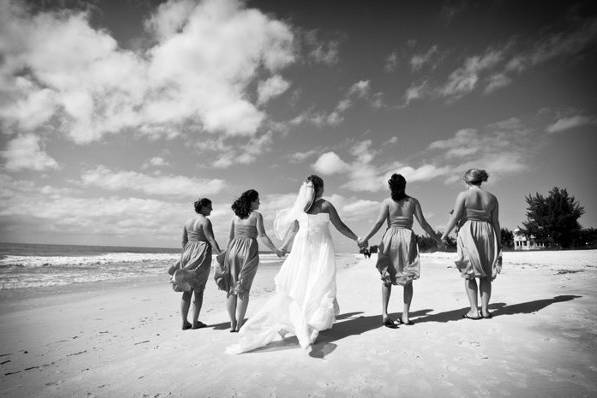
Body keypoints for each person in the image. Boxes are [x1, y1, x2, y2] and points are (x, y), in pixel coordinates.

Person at [226, 175, 360, 353]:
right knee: (319, 281)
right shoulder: (325, 205)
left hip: (301, 247)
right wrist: (357, 238)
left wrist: (282, 248)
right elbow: (340, 226)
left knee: (300, 281)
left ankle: (299, 319)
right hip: (321, 247)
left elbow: (293, 231)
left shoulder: (300, 208)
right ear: (319, 189)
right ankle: (311, 321)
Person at [358, 174, 443, 327]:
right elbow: (423, 224)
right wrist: (437, 240)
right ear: (404, 186)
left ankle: (385, 314)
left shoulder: (387, 202)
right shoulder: (413, 202)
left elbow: (378, 223)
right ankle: (405, 315)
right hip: (407, 238)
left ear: (390, 187)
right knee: (408, 276)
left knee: (387, 276)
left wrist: (365, 238)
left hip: (390, 237)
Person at [214, 190, 285, 332]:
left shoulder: (235, 217)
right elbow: (263, 236)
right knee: (243, 290)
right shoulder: (257, 216)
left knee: (231, 289)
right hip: (248, 252)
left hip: (232, 251)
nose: (259, 203)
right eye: (257, 200)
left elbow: (230, 238)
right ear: (251, 201)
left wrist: (226, 256)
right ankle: (240, 325)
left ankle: (232, 324)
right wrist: (275, 250)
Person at [441, 169, 502, 320]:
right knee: (486, 274)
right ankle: (486, 310)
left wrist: (443, 235)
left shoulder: (463, 195)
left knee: (470, 273)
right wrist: (499, 243)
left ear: (466, 181)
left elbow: (455, 217)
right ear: (481, 180)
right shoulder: (492, 198)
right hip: (487, 232)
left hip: (469, 231)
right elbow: (495, 222)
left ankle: (474, 311)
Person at [178, 198, 222, 330]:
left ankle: (184, 322)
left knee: (186, 289)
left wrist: (186, 255)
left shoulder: (187, 222)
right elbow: (211, 239)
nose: (211, 209)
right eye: (209, 207)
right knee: (198, 289)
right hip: (201, 254)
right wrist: (220, 254)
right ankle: (195, 322)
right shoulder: (205, 221)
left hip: (187, 253)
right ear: (203, 207)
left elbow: (183, 241)